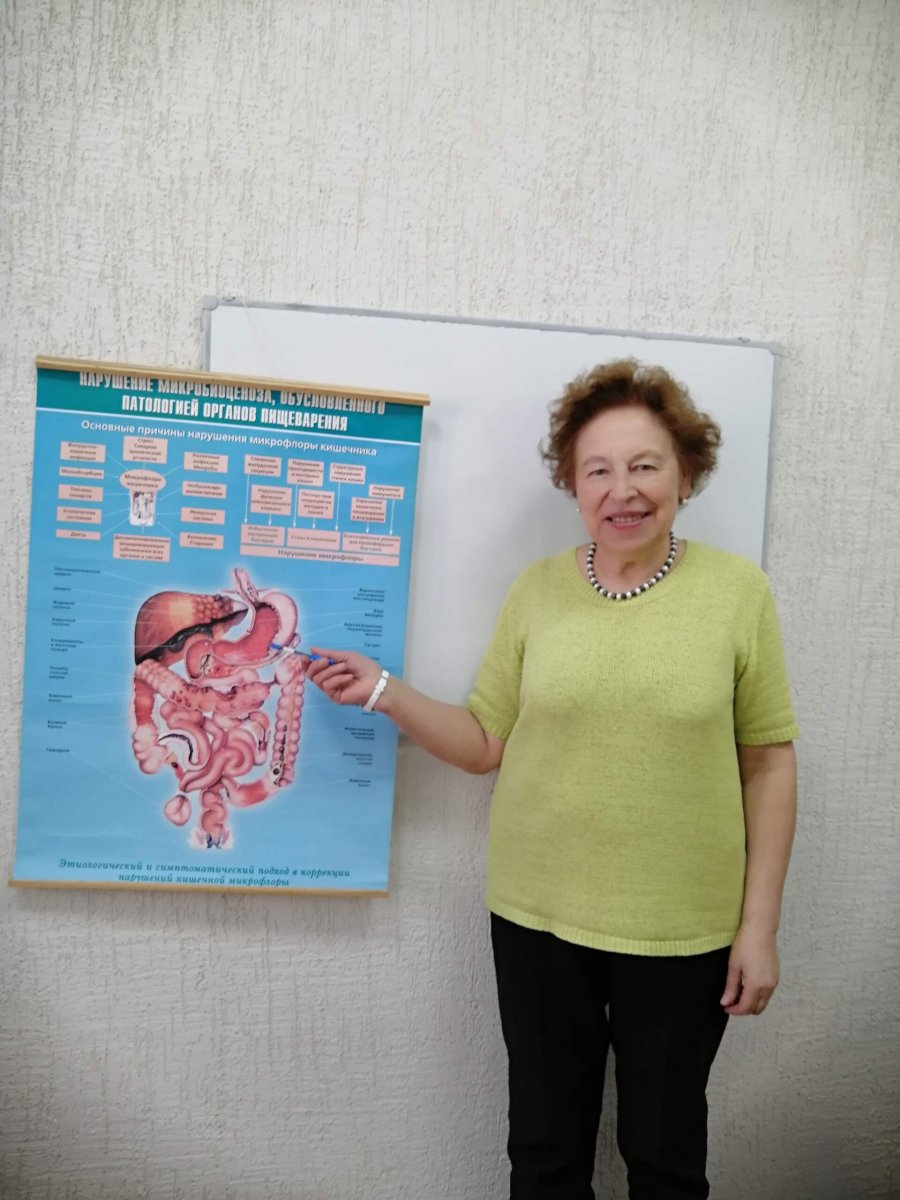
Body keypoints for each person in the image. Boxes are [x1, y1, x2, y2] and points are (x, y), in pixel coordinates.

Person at [306, 359, 799, 1200]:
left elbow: (769, 762)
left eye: (644, 465)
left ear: (685, 472)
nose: (622, 490)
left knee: (667, 1160)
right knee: (543, 1158)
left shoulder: (737, 594)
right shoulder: (536, 591)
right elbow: (484, 741)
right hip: (537, 922)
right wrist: (383, 690)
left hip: (682, 933)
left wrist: (760, 928)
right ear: (572, 485)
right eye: (596, 470)